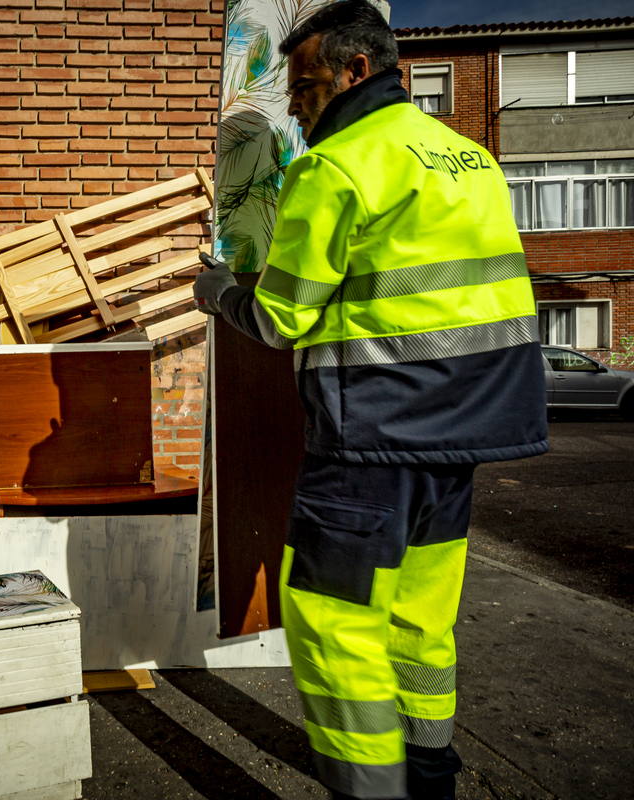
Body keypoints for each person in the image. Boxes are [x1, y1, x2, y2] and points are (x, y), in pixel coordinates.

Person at [192, 3, 548, 799]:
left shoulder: (335, 167)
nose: (293, 105)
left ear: (357, 71)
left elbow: (281, 319)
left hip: (370, 442)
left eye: (307, 86)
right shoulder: (469, 160)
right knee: (420, 622)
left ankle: (369, 791)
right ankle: (430, 777)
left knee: (333, 623)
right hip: (461, 440)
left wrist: (219, 291)